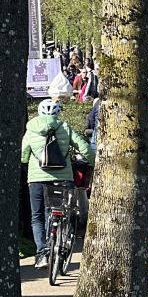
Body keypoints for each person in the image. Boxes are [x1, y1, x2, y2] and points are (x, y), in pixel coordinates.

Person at [21, 99, 92, 268]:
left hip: (37, 178)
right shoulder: (65, 127)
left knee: (37, 216)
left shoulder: (31, 129)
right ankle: (63, 239)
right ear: (58, 112)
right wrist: (93, 162)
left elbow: (23, 155)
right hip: (63, 178)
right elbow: (85, 149)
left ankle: (42, 254)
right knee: (60, 211)